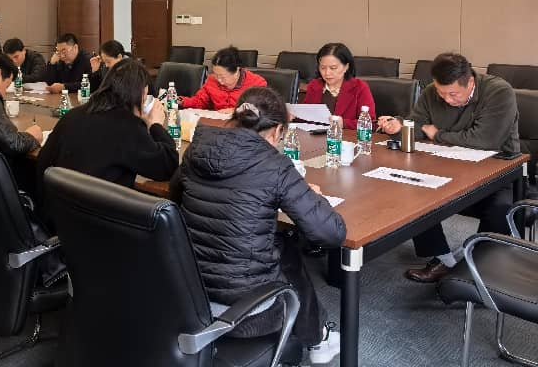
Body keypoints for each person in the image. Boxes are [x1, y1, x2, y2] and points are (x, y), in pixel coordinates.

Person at [171, 87, 345, 363]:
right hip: (248, 314)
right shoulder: (274, 164)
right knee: (285, 248)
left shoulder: (197, 148)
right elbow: (331, 234)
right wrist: (312, 196)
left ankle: (317, 335)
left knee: (276, 242)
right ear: (277, 131)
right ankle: (318, 339)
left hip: (187, 294)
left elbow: (175, 197)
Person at [377, 52, 519, 283]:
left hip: (497, 172)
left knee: (500, 209)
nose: (446, 100)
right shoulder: (431, 92)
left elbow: (486, 140)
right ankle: (443, 260)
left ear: (470, 82)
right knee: (413, 192)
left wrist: (437, 134)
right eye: (441, 93)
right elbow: (417, 124)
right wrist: (400, 125)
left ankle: (479, 269)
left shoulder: (498, 92)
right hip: (447, 166)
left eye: (453, 94)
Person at [36, 58, 177, 206]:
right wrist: (155, 125)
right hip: (101, 216)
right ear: (141, 94)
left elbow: (44, 163)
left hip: (58, 211)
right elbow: (167, 166)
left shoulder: (72, 115)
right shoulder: (128, 127)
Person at [302, 42, 376, 129]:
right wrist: (294, 116)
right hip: (317, 136)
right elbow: (306, 117)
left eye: (333, 68)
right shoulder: (314, 85)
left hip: (346, 137)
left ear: (346, 67)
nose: (327, 73)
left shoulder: (359, 87)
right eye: (323, 68)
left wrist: (344, 123)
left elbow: (371, 123)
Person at [179, 45, 266, 113]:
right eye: (216, 75)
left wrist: (237, 110)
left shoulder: (257, 83)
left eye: (222, 77)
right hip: (218, 124)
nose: (219, 80)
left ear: (237, 71)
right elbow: (199, 102)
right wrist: (180, 101)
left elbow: (261, 109)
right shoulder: (211, 80)